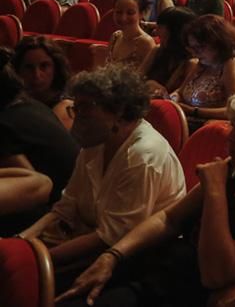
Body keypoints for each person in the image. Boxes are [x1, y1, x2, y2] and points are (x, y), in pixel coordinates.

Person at [57, 87, 235, 307]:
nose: (230, 136)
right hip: (155, 271)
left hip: (182, 294)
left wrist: (215, 191)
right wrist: (112, 256)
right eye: (233, 125)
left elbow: (217, 273)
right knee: (56, 284)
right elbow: (169, 219)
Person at [20, 66, 186, 276]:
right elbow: (64, 209)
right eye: (75, 107)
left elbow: (110, 238)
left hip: (137, 260)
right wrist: (20, 241)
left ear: (118, 112)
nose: (76, 117)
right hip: (89, 244)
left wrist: (33, 261)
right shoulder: (96, 142)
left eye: (85, 108)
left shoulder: (142, 155)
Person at [0, 61, 78, 237]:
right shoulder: (33, 105)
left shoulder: (4, 123)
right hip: (65, 204)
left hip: (54, 214)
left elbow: (31, 187)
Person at [172, 15, 235, 127]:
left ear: (218, 43)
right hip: (187, 122)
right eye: (192, 48)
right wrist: (173, 98)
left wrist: (194, 111)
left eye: (200, 47)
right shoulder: (202, 64)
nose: (195, 53)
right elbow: (180, 91)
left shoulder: (231, 64)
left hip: (212, 128)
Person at [13, 36, 75, 128]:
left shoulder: (65, 108)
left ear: (56, 68)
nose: (36, 75)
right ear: (18, 70)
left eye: (44, 66)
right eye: (29, 67)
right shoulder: (16, 101)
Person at [105, 0, 155, 69]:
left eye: (130, 13)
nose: (123, 18)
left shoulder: (145, 43)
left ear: (141, 14)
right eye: (119, 12)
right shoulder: (115, 36)